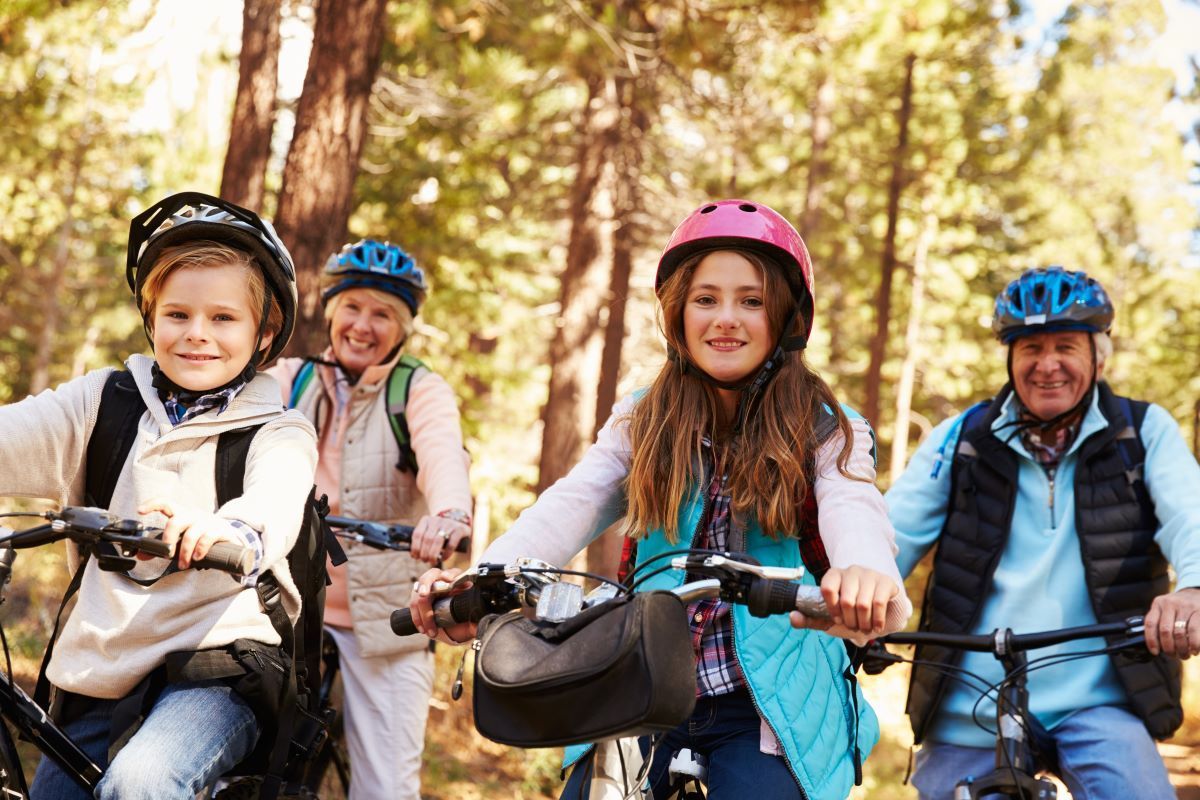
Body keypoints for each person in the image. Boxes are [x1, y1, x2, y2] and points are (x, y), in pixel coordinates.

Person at [409, 199, 912, 800]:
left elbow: (854, 510)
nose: (726, 318)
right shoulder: (644, 416)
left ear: (787, 319)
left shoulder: (827, 427)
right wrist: (486, 579)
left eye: (751, 300)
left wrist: (868, 577)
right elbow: (573, 501)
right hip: (640, 685)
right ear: (677, 315)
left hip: (766, 708)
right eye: (706, 299)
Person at [0, 191, 316, 799]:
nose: (197, 334)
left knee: (141, 782)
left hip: (217, 670)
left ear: (264, 330)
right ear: (152, 318)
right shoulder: (104, 403)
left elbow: (277, 497)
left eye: (224, 318)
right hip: (101, 668)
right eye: (178, 315)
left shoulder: (278, 430)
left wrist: (232, 530)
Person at [886, 266, 1200, 800]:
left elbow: (1189, 514)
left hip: (1101, 700)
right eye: (1030, 347)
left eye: (1065, 346)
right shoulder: (961, 439)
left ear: (1099, 356)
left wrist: (1193, 589)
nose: (1047, 364)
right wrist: (854, 589)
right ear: (1009, 358)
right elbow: (887, 537)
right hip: (971, 702)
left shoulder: (1142, 433)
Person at [266, 238, 472, 800]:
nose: (363, 325)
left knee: (386, 788)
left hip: (387, 619)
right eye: (352, 307)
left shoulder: (418, 390)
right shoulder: (292, 379)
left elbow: (444, 457)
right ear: (332, 313)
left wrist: (449, 514)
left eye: (383, 314)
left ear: (403, 328)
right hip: (282, 605)